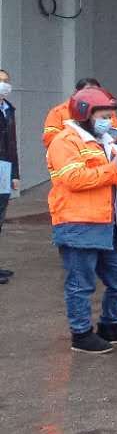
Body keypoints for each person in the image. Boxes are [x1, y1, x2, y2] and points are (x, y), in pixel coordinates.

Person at [45, 86, 117, 355]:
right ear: (85, 114)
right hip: (78, 222)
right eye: (104, 115)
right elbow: (74, 179)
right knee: (81, 283)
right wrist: (116, 169)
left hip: (108, 222)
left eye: (111, 115)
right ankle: (81, 334)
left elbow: (115, 175)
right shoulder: (65, 141)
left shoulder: (104, 141)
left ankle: (110, 324)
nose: (109, 121)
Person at [44, 78, 117, 148]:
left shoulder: (106, 112)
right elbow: (50, 139)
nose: (91, 95)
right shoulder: (58, 112)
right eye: (88, 91)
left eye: (96, 92)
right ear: (77, 92)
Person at [0, 67, 17, 285]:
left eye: (6, 80)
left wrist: (15, 173)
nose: (4, 84)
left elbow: (12, 144)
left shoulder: (8, 109)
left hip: (4, 168)